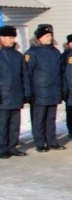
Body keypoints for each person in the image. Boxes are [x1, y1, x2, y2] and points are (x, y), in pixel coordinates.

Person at [25, 24, 66, 152]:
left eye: (50, 35)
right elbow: (26, 74)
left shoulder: (55, 52)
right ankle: (40, 142)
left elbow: (61, 72)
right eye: (47, 35)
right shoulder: (32, 53)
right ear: (39, 38)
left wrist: (62, 89)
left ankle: (52, 141)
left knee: (51, 118)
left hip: (53, 91)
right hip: (39, 92)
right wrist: (28, 92)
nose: (50, 38)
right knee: (39, 119)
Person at [0, 25, 31, 158]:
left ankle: (12, 147)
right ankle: (2, 148)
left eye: (13, 37)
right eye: (9, 37)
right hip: (3, 95)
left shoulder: (18, 55)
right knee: (2, 124)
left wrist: (26, 92)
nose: (12, 40)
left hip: (16, 94)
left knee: (14, 123)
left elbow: (24, 75)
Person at [61, 33, 72, 138]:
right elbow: (63, 73)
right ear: (68, 43)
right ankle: (71, 130)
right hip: (68, 87)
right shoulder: (65, 56)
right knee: (70, 110)